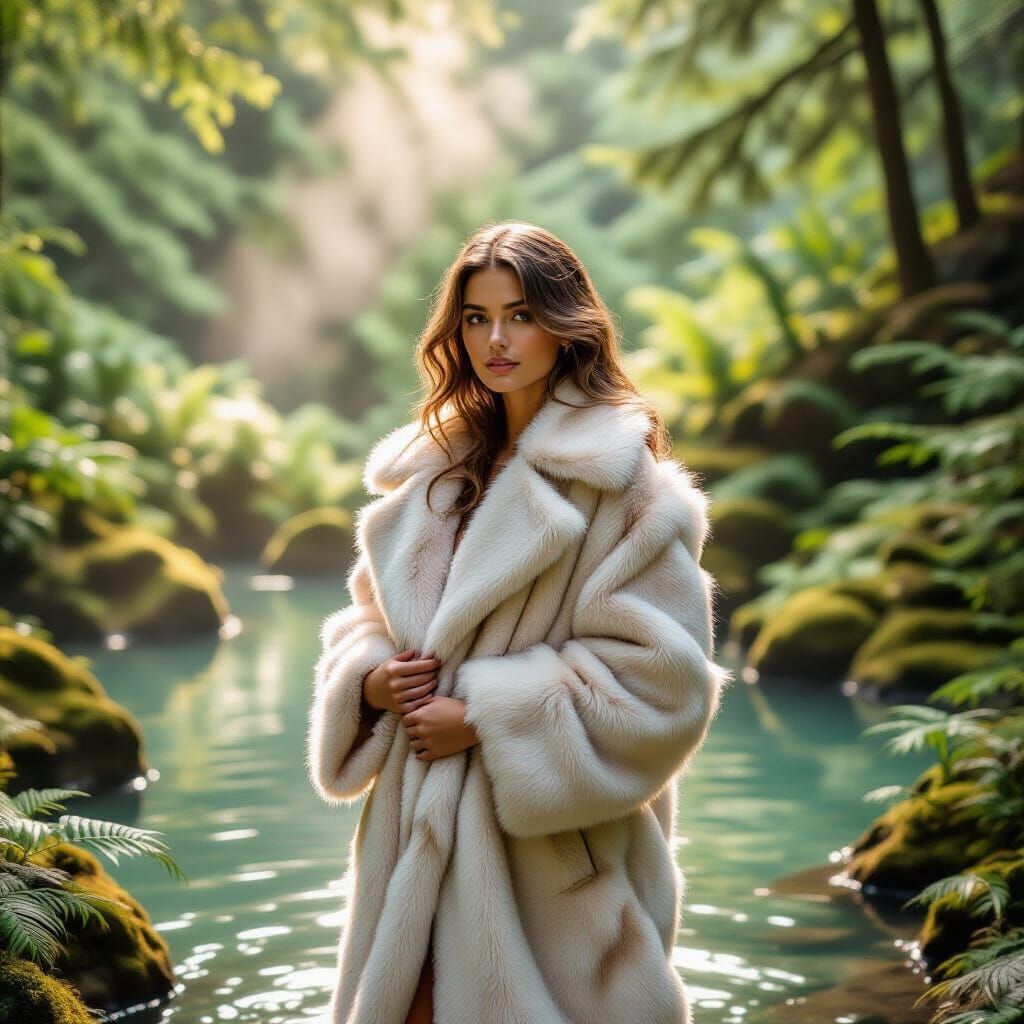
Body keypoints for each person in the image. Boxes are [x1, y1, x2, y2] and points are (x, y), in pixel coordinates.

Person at [306, 220, 732, 1024]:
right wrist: (370, 679)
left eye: (521, 314)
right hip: (410, 840)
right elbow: (362, 618)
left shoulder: (630, 490)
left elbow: (664, 684)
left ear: (566, 326)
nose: (496, 339)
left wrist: (487, 718)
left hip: (545, 865)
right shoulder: (431, 472)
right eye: (476, 317)